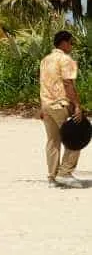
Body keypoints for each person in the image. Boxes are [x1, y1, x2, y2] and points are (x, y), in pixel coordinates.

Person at [40, 30, 84, 188]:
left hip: (46, 105)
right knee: (77, 137)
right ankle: (65, 173)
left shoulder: (45, 60)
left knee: (53, 141)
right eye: (71, 42)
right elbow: (68, 84)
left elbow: (43, 83)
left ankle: (52, 178)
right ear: (64, 43)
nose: (72, 45)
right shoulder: (66, 59)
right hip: (61, 104)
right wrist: (77, 106)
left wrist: (42, 107)